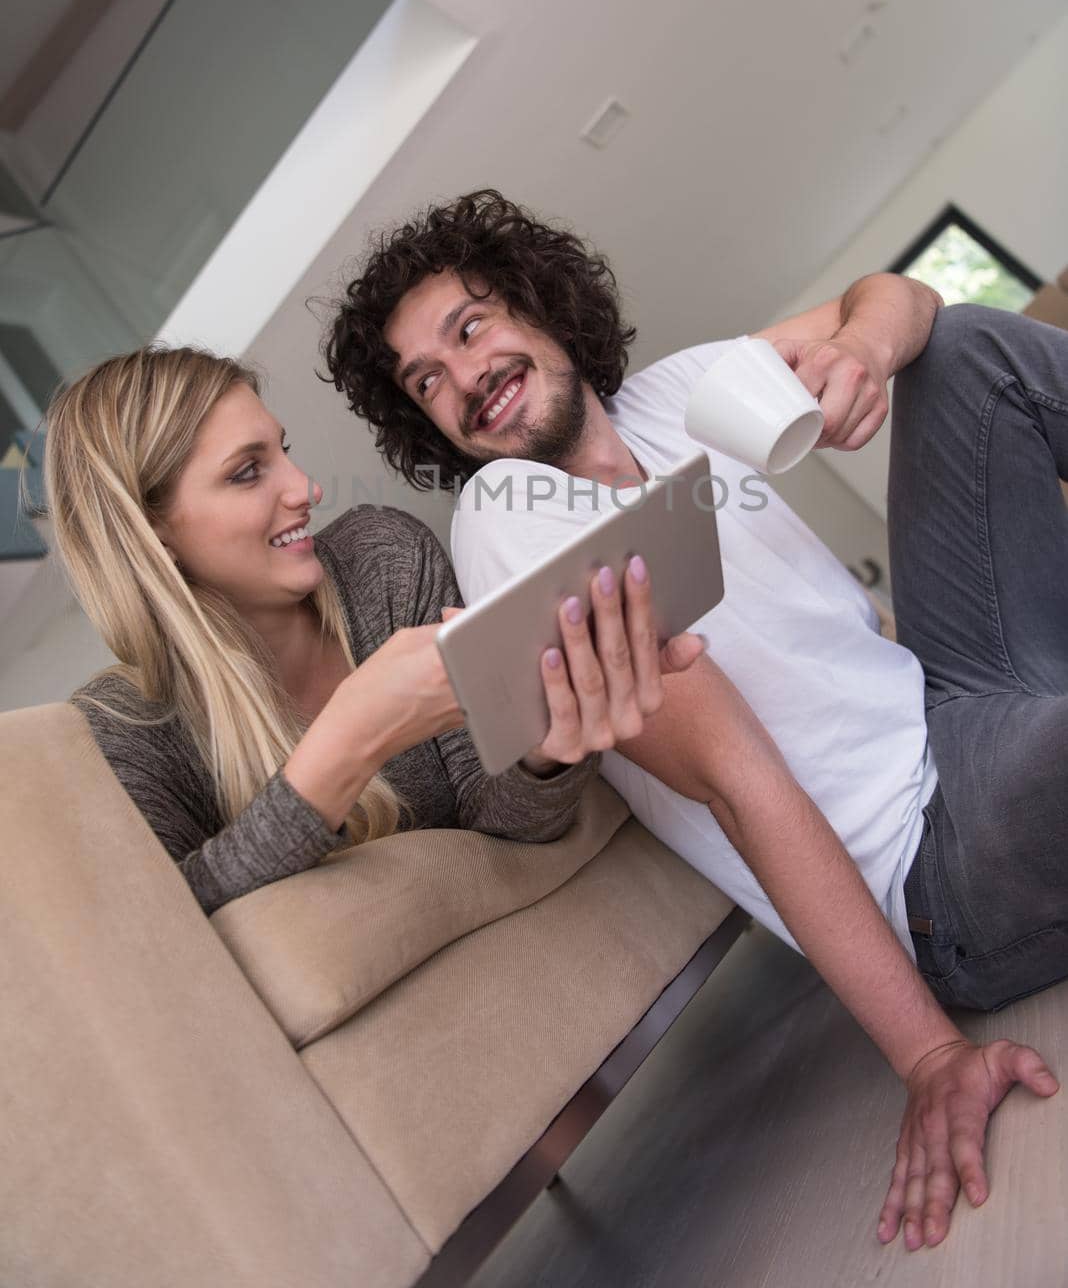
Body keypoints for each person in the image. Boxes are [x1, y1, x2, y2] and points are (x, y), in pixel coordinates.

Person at [324, 187, 1065, 1254]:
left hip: (952, 694)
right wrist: (929, 1055)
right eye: (425, 380)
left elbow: (898, 294)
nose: (462, 378)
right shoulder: (508, 522)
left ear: (537, 304)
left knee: (970, 353)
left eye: (470, 327)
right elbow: (733, 777)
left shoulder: (678, 394)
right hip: (934, 856)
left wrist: (862, 344)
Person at [43, 344, 702, 919]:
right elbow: (174, 946)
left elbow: (506, 825)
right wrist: (350, 741)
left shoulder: (381, 562)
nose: (305, 488)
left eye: (283, 452)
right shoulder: (120, 732)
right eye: (247, 472)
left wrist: (548, 749)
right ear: (150, 530)